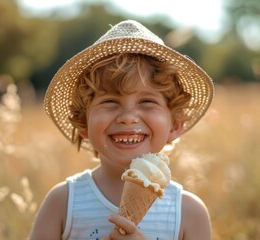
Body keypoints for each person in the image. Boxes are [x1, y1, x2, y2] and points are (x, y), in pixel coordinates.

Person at [29, 20, 213, 240]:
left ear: (174, 125)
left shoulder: (188, 212)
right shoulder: (63, 202)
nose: (127, 118)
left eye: (147, 101)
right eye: (110, 102)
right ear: (83, 124)